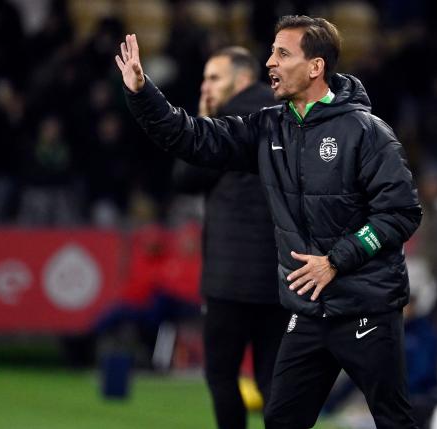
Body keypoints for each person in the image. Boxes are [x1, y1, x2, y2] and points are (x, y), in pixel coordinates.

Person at [115, 14, 422, 429]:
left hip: (366, 308)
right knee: (280, 421)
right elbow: (194, 139)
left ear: (315, 67)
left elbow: (400, 213)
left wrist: (334, 261)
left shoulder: (367, 132)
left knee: (394, 420)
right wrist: (143, 93)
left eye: (282, 53)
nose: (269, 64)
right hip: (309, 312)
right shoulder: (268, 126)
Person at [171, 46, 289, 429]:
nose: (205, 86)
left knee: (222, 376)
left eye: (214, 78)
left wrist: (202, 120)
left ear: (241, 80)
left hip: (229, 281)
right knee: (274, 381)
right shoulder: (286, 118)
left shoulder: (226, 125)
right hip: (279, 278)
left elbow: (186, 178)